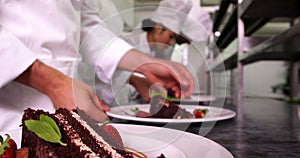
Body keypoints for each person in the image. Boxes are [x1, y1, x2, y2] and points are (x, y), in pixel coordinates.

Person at [0, 0, 194, 131]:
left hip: (73, 105)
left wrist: (143, 64)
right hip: (10, 111)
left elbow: (86, 23)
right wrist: (53, 83)